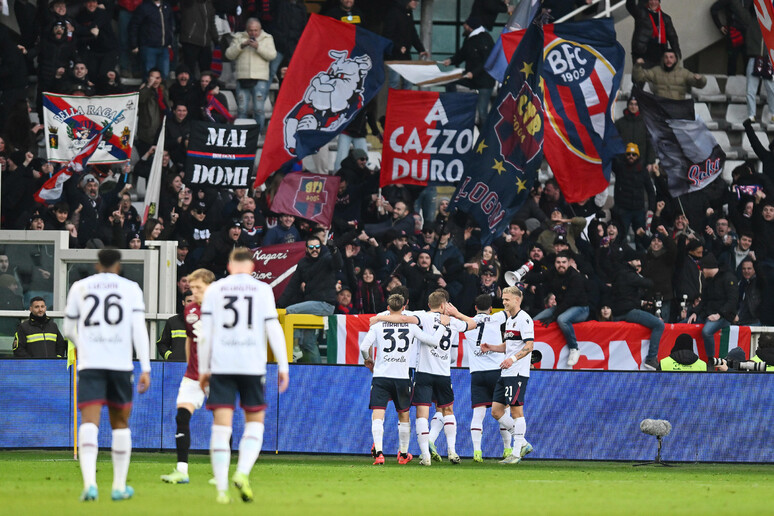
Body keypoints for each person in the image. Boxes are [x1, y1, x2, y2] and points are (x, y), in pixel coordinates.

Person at [198, 248, 289, 504]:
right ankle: (242, 471)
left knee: (220, 427)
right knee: (254, 423)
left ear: (229, 266)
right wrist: (283, 365)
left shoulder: (215, 290)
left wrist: (204, 369)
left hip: (222, 365)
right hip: (252, 366)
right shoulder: (262, 290)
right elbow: (273, 328)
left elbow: (205, 334)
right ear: (251, 266)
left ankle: (221, 491)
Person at [62, 248, 151, 502]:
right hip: (120, 365)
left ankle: (90, 484)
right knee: (120, 425)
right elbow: (138, 329)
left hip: (90, 365)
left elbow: (68, 328)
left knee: (89, 422)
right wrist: (145, 366)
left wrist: (84, 343)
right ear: (118, 266)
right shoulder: (131, 288)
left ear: (97, 265)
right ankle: (118, 486)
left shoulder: (80, 286)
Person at [374, 290, 474, 465]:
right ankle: (452, 451)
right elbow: (472, 324)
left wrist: (380, 319)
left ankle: (426, 456)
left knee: (422, 415)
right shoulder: (453, 321)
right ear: (444, 305)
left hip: (424, 373)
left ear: (429, 305)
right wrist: (456, 313)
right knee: (448, 411)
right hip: (444, 374)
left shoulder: (423, 317)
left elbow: (404, 319)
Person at [360, 293, 447, 465]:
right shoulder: (411, 327)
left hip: (381, 376)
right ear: (404, 307)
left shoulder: (377, 326)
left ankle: (379, 452)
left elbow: (364, 347)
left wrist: (368, 359)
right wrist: (443, 326)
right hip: (402, 376)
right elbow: (433, 341)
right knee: (403, 415)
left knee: (378, 415)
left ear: (387, 308)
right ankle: (404, 454)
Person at [160, 268, 215, 484]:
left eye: (198, 288)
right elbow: (190, 339)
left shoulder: (223, 310)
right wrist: (190, 363)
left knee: (221, 421)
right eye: (191, 288)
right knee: (181, 416)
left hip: (216, 374)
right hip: (193, 375)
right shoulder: (190, 309)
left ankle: (221, 473)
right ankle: (182, 471)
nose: (194, 293)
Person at [462, 294, 520, 462]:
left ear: (475, 308)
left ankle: (477, 452)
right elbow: (510, 311)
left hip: (477, 374)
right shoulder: (496, 318)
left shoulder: (468, 324)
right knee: (504, 410)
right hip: (496, 372)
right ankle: (508, 448)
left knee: (478, 415)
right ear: (490, 309)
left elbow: (461, 322)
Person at [480, 286, 534, 464]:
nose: (503, 302)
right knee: (496, 411)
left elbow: (529, 347)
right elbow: (509, 344)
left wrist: (512, 359)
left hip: (517, 372)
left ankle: (516, 453)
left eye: (507, 299)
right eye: (503, 299)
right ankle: (523, 443)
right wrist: (492, 347)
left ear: (518, 300)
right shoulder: (510, 320)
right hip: (506, 372)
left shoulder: (524, 319)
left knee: (517, 412)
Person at [278, 235, 342, 362]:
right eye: (311, 247)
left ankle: (294, 348)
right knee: (308, 343)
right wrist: (279, 305)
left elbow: (338, 263)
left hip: (325, 305)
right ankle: (318, 373)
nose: (314, 249)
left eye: (317, 247)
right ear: (306, 249)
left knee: (290, 311)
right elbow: (292, 285)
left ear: (321, 248)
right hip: (312, 307)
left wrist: (334, 249)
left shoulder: (327, 258)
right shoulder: (302, 263)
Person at [611, 248, 665, 370]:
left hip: (619, 311)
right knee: (659, 325)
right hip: (628, 312)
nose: (639, 262)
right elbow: (649, 283)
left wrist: (641, 303)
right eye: (636, 260)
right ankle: (651, 358)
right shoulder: (629, 275)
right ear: (629, 262)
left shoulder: (620, 273)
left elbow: (625, 295)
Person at [534, 252, 590, 367]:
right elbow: (539, 277)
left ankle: (574, 349)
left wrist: (553, 316)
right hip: (561, 307)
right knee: (534, 320)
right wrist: (522, 278)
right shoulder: (552, 272)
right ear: (555, 263)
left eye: (564, 262)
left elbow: (569, 301)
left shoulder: (575, 277)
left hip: (581, 308)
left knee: (562, 319)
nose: (561, 265)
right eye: (558, 262)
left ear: (569, 263)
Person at [225, 18, 277, 132]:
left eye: (256, 30)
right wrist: (241, 46)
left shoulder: (267, 38)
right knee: (242, 109)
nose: (253, 33)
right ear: (246, 29)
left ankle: (257, 134)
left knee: (258, 109)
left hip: (260, 79)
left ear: (260, 29)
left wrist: (258, 47)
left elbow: (272, 55)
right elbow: (229, 55)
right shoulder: (239, 37)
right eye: (250, 30)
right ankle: (243, 136)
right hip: (242, 78)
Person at [442, 16, 495, 126]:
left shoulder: (485, 38)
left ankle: (484, 139)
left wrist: (473, 73)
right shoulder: (469, 38)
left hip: (484, 81)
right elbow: (462, 54)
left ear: (470, 27)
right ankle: (453, 109)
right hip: (471, 78)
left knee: (482, 112)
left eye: (465, 25)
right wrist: (451, 60)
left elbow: (487, 61)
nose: (463, 26)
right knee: (451, 83)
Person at [686, 254, 739, 363]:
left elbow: (732, 301)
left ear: (706, 268)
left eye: (702, 269)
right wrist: (695, 312)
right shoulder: (709, 281)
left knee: (706, 332)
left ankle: (711, 360)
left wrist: (719, 314)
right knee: (684, 324)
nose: (701, 272)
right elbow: (704, 300)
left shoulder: (728, 278)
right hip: (707, 314)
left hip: (724, 316)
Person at [383, 0, 429, 90]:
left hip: (405, 55)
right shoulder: (393, 13)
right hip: (393, 56)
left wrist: (421, 50)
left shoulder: (408, 13)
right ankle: (394, 104)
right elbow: (387, 35)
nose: (417, 3)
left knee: (408, 81)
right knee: (394, 82)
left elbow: (413, 34)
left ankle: (405, 104)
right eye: (414, 0)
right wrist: (398, 47)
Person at [632, 49, 706, 101]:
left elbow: (700, 85)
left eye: (671, 57)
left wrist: (700, 79)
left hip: (677, 106)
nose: (668, 60)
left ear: (675, 59)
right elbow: (639, 77)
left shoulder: (684, 72)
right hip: (660, 106)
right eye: (666, 57)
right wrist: (637, 66)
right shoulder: (655, 71)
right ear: (663, 59)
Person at [626, 0, 680, 69]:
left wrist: (677, 55)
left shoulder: (666, 18)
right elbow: (630, 6)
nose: (653, 2)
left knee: (659, 78)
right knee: (640, 78)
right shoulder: (640, 14)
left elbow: (673, 38)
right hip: (643, 55)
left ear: (659, 2)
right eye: (651, 0)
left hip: (660, 56)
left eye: (656, 0)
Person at [129, 0, 174, 78]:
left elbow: (170, 25)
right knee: (149, 76)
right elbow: (134, 26)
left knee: (164, 76)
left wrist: (169, 41)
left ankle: (161, 90)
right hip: (148, 47)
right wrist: (134, 44)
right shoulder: (143, 7)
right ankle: (148, 90)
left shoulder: (166, 6)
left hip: (164, 47)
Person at [156, 290, 193, 361]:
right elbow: (162, 344)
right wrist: (170, 357)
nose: (191, 304)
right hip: (176, 367)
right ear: (183, 303)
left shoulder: (205, 322)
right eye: (189, 301)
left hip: (197, 368)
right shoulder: (172, 322)